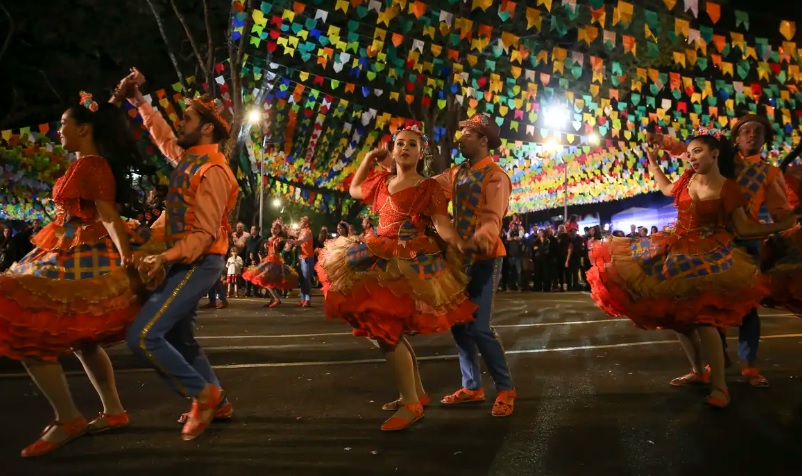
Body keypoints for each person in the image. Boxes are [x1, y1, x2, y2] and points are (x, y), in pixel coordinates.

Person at [0, 92, 160, 457]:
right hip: (67, 246)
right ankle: (114, 411)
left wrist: (127, 257)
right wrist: (118, 97)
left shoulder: (91, 166)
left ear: (84, 129)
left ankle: (68, 417)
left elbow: (106, 214)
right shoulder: (86, 162)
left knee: (28, 326)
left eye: (63, 124)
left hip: (79, 252)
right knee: (82, 341)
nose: (58, 131)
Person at [587, 129, 796, 408]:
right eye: (690, 153)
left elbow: (744, 228)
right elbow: (665, 189)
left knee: (703, 319)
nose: (691, 157)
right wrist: (652, 161)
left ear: (715, 153)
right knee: (677, 317)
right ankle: (698, 371)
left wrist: (782, 226)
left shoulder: (728, 188)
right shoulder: (687, 178)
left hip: (712, 253)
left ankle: (720, 386)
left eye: (697, 152)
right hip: (675, 248)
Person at [316, 127, 476, 431]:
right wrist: (368, 159)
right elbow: (353, 189)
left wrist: (461, 244)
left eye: (411, 144)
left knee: (386, 331)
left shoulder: (428, 187)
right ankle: (415, 394)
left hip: (406, 263)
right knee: (384, 332)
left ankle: (411, 403)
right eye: (399, 143)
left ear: (420, 153)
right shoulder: (382, 182)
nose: (404, 148)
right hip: (374, 253)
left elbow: (442, 224)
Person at [121, 68, 239, 441]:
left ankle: (202, 394)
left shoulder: (214, 171)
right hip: (185, 259)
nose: (179, 122)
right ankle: (217, 402)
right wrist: (139, 101)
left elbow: (204, 236)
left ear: (207, 129)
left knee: (143, 337)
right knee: (182, 340)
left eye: (187, 117)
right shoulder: (190, 158)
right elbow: (163, 138)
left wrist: (165, 258)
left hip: (200, 262)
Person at [658, 115, 792, 387]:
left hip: (746, 242)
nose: (752, 135)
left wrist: (787, 220)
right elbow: (691, 150)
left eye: (758, 132)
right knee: (706, 304)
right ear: (737, 138)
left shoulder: (772, 173)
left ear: (765, 139)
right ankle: (714, 361)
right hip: (711, 240)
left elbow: (780, 210)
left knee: (747, 307)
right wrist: (664, 143)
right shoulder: (724, 160)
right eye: (746, 132)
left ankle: (749, 365)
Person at [434, 113, 517, 417]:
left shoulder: (495, 176)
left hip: (485, 257)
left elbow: (493, 217)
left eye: (468, 133)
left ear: (484, 141)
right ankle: (472, 386)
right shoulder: (457, 173)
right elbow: (429, 191)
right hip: (459, 258)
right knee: (459, 325)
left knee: (480, 328)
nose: (461, 137)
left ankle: (506, 389)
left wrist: (482, 236)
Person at [242, 220, 298, 308]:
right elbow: (267, 250)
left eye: (276, 228)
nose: (273, 229)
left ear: (279, 230)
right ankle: (273, 299)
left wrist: (274, 245)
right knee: (267, 280)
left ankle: (276, 298)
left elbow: (276, 251)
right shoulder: (269, 238)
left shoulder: (278, 239)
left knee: (265, 279)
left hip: (274, 260)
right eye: (273, 228)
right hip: (268, 259)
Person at [287, 216, 315, 307]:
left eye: (301, 221)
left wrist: (289, 241)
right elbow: (293, 233)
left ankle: (307, 299)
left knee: (306, 279)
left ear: (306, 223)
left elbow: (299, 241)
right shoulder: (302, 231)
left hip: (307, 257)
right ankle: (303, 298)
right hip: (303, 257)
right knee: (302, 279)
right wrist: (284, 227)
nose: (299, 222)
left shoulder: (307, 232)